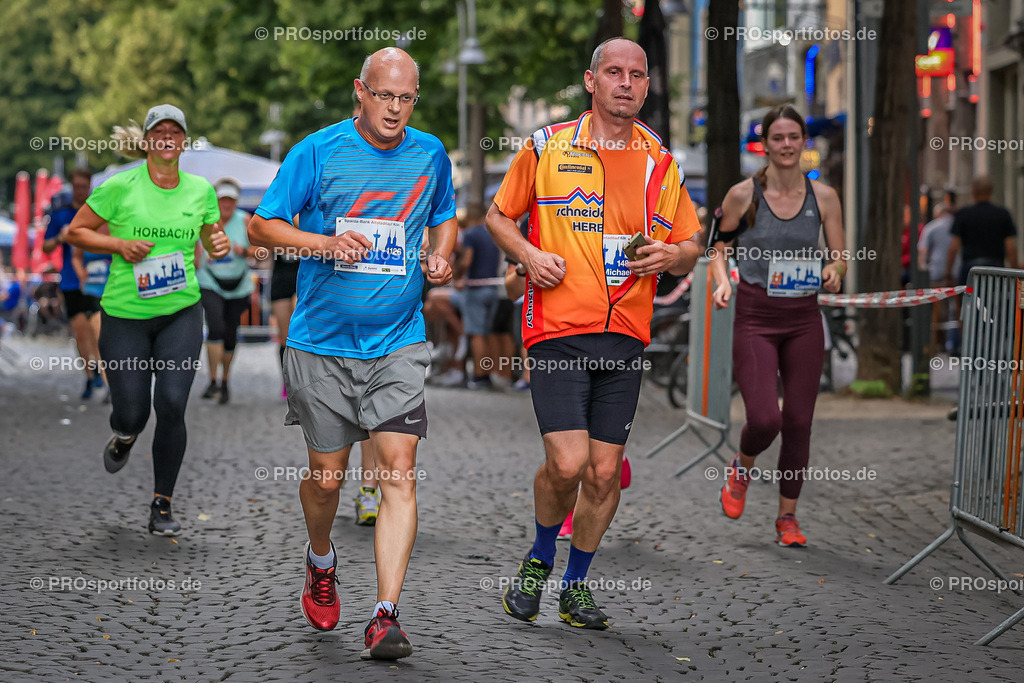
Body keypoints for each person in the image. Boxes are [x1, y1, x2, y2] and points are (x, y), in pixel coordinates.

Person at [247, 47, 456, 660]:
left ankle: (385, 616)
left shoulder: (430, 153)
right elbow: (261, 227)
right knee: (326, 480)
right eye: (384, 95)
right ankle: (321, 561)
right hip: (321, 345)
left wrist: (441, 254)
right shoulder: (317, 151)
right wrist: (323, 244)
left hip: (398, 342)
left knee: (397, 471)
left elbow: (444, 215)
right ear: (359, 91)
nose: (395, 109)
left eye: (406, 98)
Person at [487, 37, 701, 630]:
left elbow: (690, 243)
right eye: (614, 72)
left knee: (605, 473)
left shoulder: (660, 161)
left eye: (637, 74)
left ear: (647, 85)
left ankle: (575, 586)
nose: (625, 83)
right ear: (591, 80)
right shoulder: (546, 146)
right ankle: (539, 557)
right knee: (568, 463)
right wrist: (529, 255)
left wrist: (672, 256)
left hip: (626, 332)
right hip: (556, 328)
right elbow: (499, 216)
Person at [66, 104, 230, 536]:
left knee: (173, 403)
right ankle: (124, 435)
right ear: (146, 141)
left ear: (184, 142)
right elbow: (76, 232)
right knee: (132, 412)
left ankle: (162, 502)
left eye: (175, 132)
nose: (167, 138)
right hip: (126, 315)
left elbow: (213, 242)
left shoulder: (200, 190)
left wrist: (219, 246)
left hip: (181, 312)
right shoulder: (120, 187)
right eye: (159, 131)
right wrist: (119, 245)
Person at [708, 104, 846, 548]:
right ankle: (742, 466)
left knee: (799, 422)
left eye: (793, 137)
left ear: (804, 141)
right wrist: (722, 282)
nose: (786, 145)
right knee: (766, 418)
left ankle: (787, 517)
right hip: (756, 317)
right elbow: (717, 248)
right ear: (765, 144)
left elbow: (840, 256)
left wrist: (836, 270)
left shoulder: (824, 197)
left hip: (804, 318)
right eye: (778, 138)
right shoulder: (742, 195)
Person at [43, 168, 102, 398]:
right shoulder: (61, 214)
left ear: (90, 186)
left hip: (97, 279)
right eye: (76, 187)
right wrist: (60, 238)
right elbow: (46, 246)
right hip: (70, 280)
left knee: (98, 328)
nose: (80, 191)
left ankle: (102, 370)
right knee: (81, 332)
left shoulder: (98, 211)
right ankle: (90, 376)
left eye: (84, 187)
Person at [195, 178, 255, 404]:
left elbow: (260, 250)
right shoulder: (204, 221)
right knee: (216, 327)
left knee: (230, 333)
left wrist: (244, 252)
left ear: (236, 201)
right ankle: (212, 380)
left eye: (231, 200)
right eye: (223, 200)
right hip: (210, 281)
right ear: (216, 201)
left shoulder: (244, 219)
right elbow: (194, 250)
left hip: (238, 285)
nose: (227, 204)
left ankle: (225, 381)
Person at [451, 208, 502, 389]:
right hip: (492, 289)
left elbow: (466, 261)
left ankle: (480, 376)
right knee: (487, 334)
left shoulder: (471, 234)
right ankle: (488, 374)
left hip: (475, 289)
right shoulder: (493, 234)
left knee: (476, 334)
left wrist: (457, 276)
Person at [945, 175, 1019, 287]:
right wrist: (1014, 273)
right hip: (996, 268)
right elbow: (1011, 248)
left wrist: (948, 272)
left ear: (973, 192)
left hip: (970, 268)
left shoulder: (962, 214)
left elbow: (954, 247)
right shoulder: (1002, 214)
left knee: (969, 296)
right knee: (995, 296)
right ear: (991, 191)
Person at [72, 233, 113, 401]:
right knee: (98, 334)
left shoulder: (118, 225)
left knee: (104, 337)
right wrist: (80, 272)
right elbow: (76, 255)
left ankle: (107, 380)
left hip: (115, 290)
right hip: (92, 291)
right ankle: (107, 382)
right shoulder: (85, 229)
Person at [919, 202, 959, 353]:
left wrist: (923, 271)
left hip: (936, 275)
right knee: (958, 308)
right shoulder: (957, 225)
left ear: (937, 214)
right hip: (957, 273)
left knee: (935, 309)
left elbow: (923, 252)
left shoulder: (931, 227)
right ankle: (958, 344)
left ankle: (934, 345)